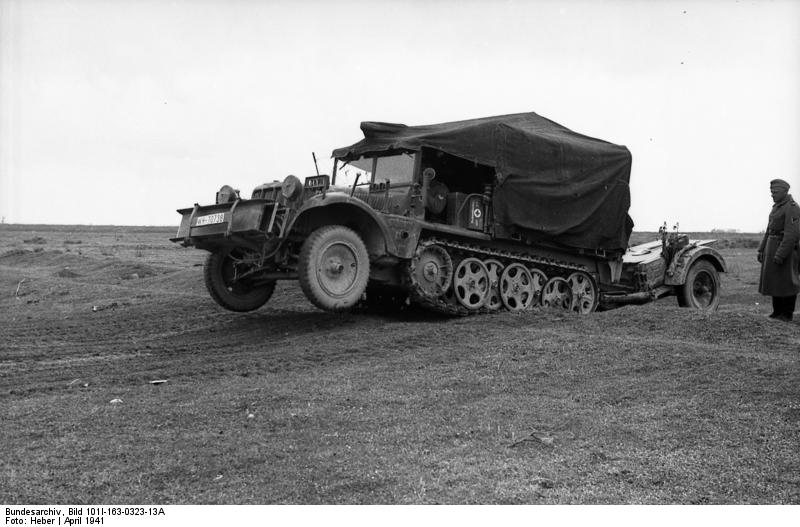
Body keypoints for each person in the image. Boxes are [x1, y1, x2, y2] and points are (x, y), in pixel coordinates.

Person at [757, 179, 800, 321]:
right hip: (772, 247)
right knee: (775, 280)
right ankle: (777, 311)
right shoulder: (776, 207)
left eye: (775, 192)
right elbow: (769, 230)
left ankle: (787, 314)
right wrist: (761, 249)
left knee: (787, 281)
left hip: (785, 250)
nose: (772, 194)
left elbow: (791, 234)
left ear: (784, 192)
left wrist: (781, 254)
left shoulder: (792, 207)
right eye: (771, 192)